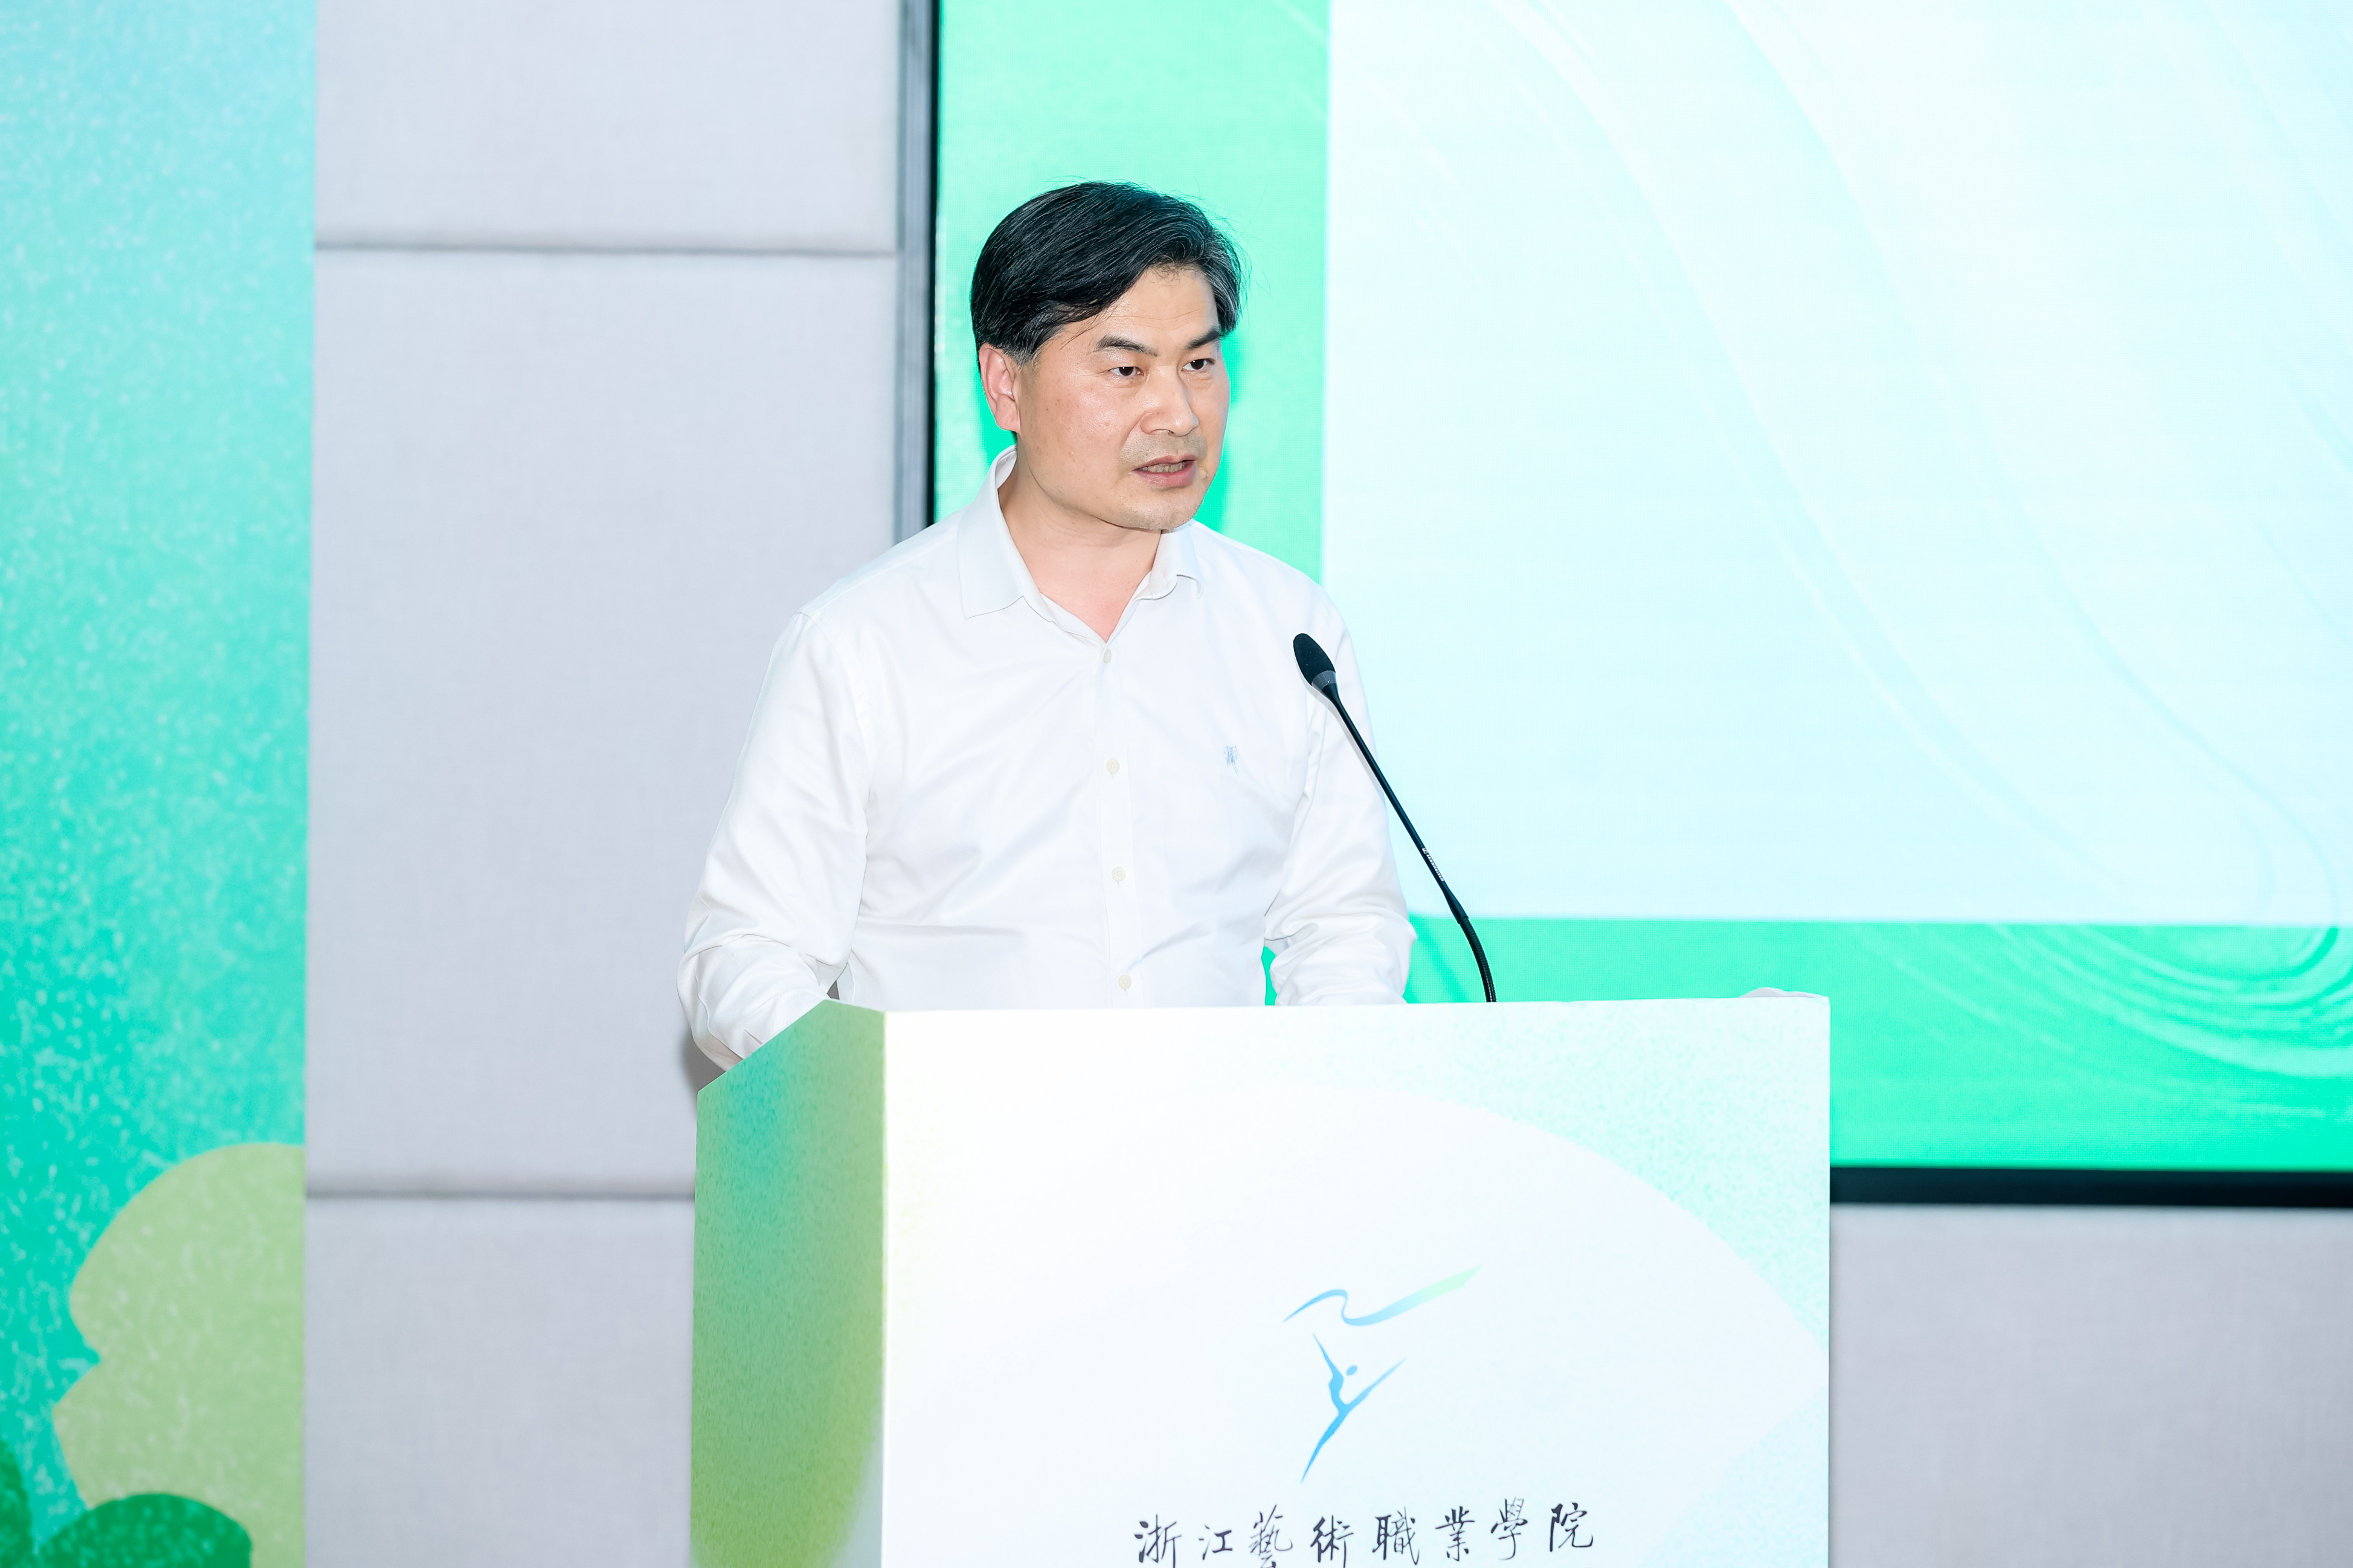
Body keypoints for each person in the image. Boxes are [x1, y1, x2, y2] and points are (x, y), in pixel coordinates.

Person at [678, 181, 1411, 1067]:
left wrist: (1315, 1099)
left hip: (1219, 1148)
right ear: (1006, 385)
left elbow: (1343, 927)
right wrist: (884, 1102)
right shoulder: (862, 646)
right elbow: (745, 957)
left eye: (1200, 364)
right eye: (1126, 370)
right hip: (952, 1149)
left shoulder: (1288, 631)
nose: (1178, 414)